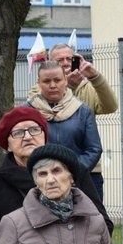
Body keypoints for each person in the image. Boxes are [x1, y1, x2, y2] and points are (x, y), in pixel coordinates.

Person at [0, 107, 112, 244]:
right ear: (8, 145)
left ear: (44, 136)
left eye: (34, 129)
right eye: (18, 133)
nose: (27, 137)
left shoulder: (74, 171)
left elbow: (103, 225)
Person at [29, 43, 118, 201]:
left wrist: (95, 77)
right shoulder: (39, 91)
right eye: (60, 60)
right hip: (46, 173)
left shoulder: (87, 89)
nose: (66, 63)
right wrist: (65, 84)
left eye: (70, 58)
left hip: (88, 170)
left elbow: (110, 106)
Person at [24, 61, 103, 196]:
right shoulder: (26, 112)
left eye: (57, 80)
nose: (53, 85)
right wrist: (40, 173)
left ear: (65, 80)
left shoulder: (82, 111)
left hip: (77, 182)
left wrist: (72, 172)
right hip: (37, 183)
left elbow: (93, 149)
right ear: (38, 82)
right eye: (46, 81)